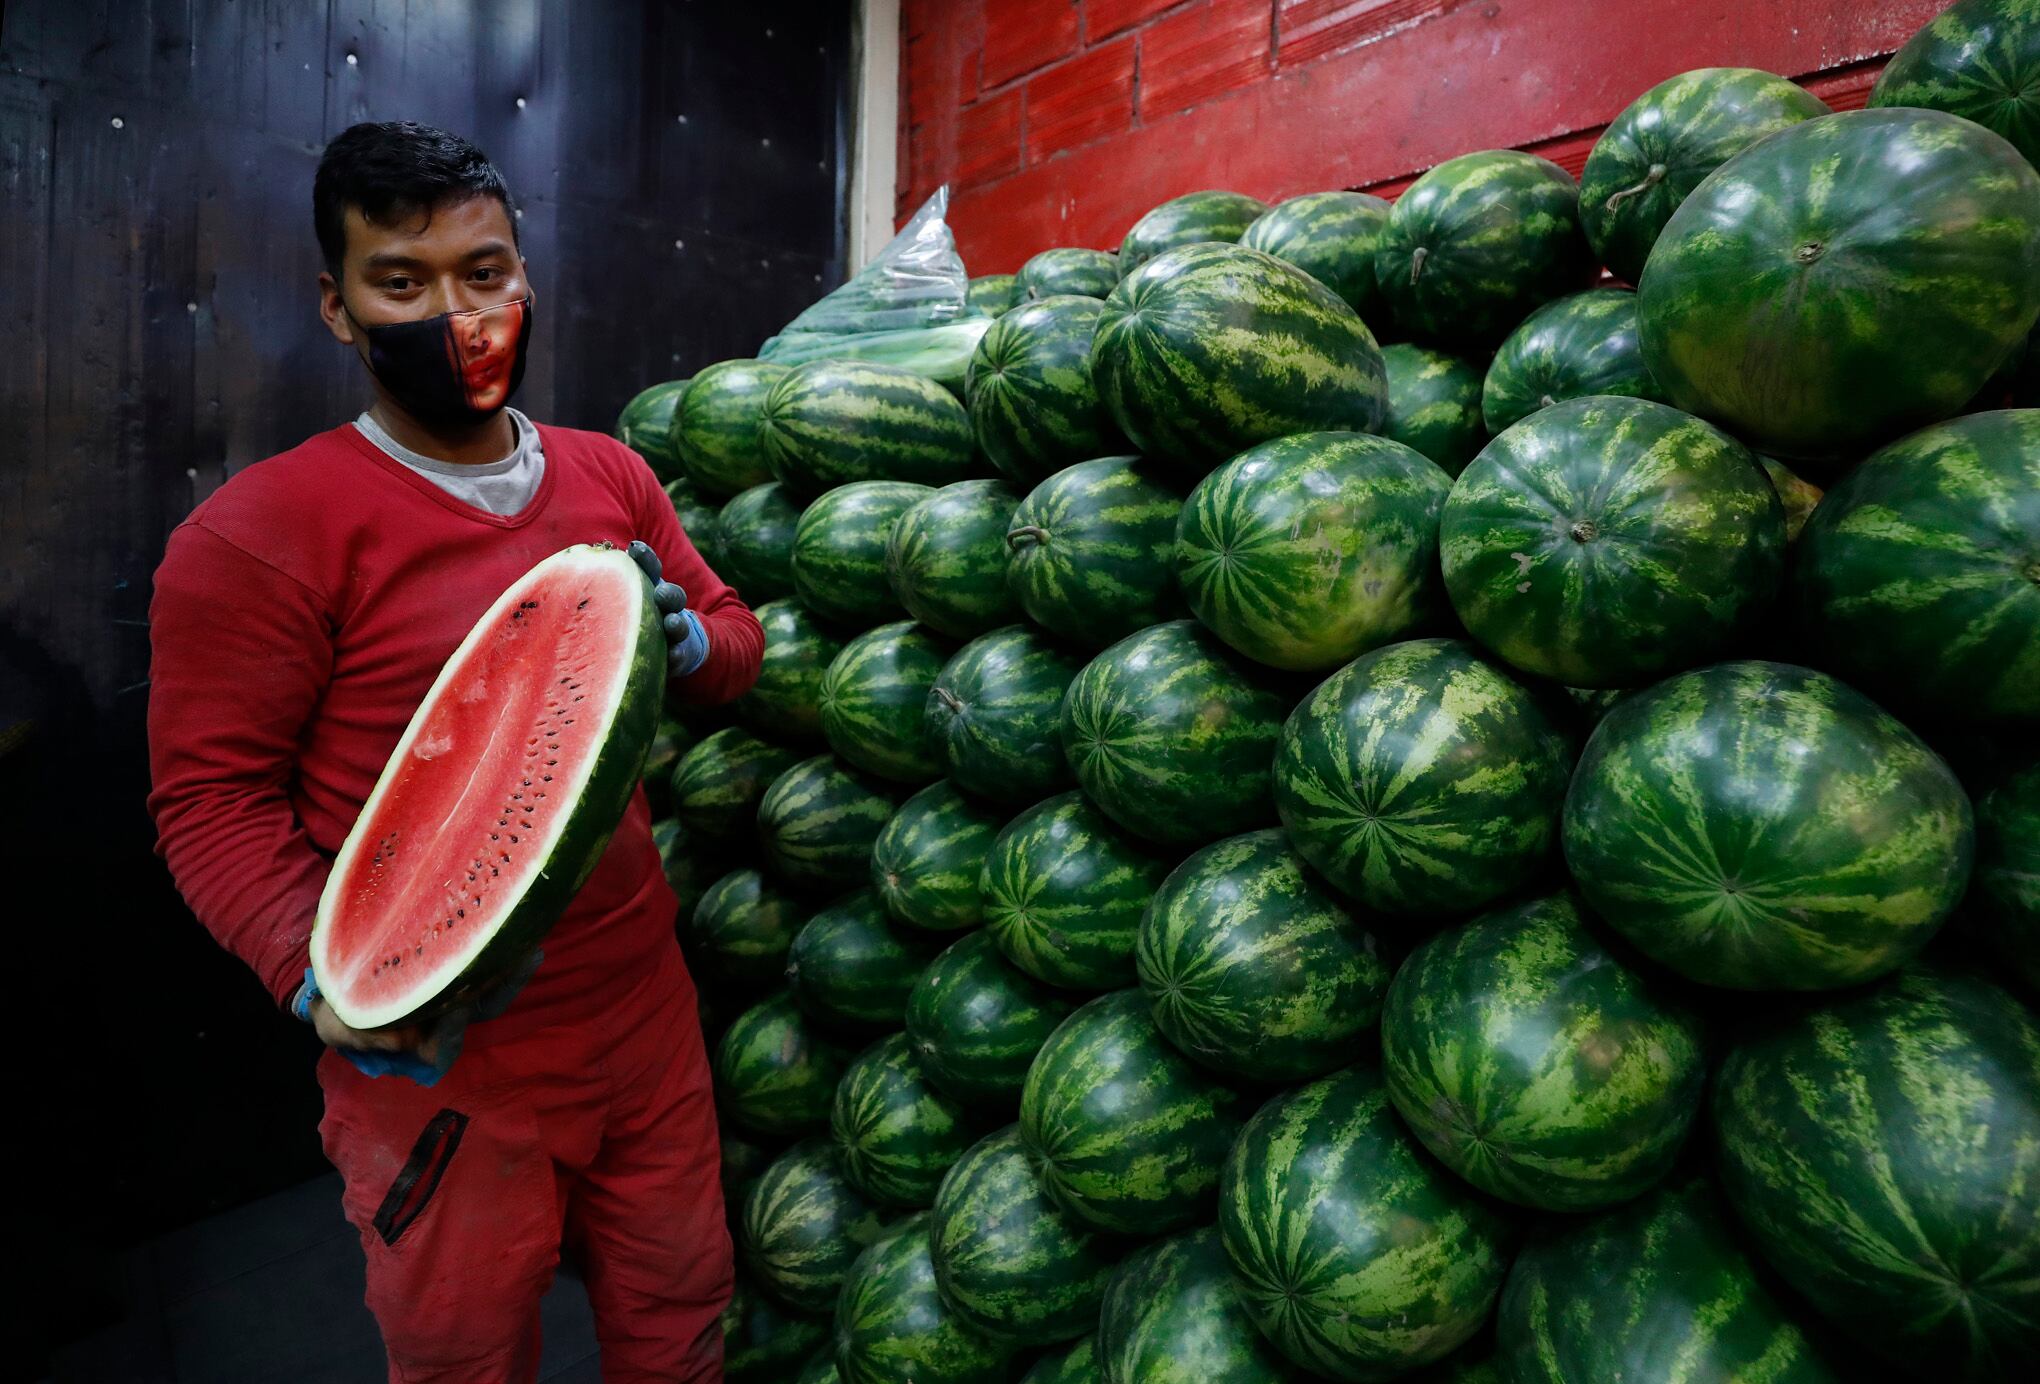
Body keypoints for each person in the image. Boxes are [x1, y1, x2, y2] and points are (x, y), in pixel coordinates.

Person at [144, 120, 760, 1382]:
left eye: (483, 274)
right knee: (465, 1355)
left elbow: (739, 635)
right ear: (337, 307)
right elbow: (210, 802)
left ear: (524, 278)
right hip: (447, 1060)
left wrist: (696, 648)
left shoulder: (611, 477)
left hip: (644, 1015)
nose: (456, 315)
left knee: (680, 1316)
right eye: (402, 283)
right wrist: (316, 975)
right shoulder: (253, 534)